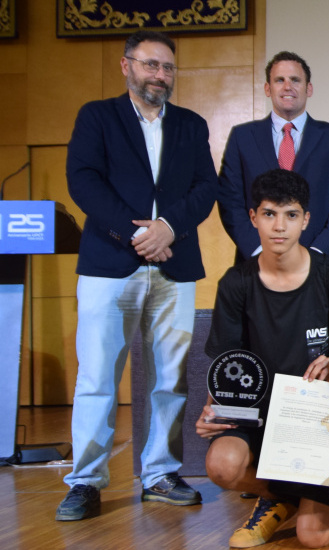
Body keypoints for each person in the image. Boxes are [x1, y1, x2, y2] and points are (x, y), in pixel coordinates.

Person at [57, 30, 217, 522]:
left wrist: (167, 228)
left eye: (168, 67)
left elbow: (205, 187)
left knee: (170, 379)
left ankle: (160, 474)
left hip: (174, 266)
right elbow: (83, 180)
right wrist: (136, 235)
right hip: (111, 265)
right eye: (151, 65)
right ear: (126, 66)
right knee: (97, 377)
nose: (160, 75)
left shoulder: (191, 124)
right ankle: (85, 482)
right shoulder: (97, 117)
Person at [199, 169, 329, 548]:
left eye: (290, 215)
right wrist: (213, 410)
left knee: (314, 537)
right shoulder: (236, 283)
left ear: (306, 220)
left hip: (317, 418)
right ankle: (282, 495)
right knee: (221, 464)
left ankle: (297, 496)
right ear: (253, 217)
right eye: (269, 214)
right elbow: (226, 365)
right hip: (260, 413)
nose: (279, 226)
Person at [217, 51, 329, 263]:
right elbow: (230, 200)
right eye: (279, 80)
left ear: (309, 89)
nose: (287, 87)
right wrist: (258, 252)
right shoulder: (241, 137)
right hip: (257, 265)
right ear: (267, 88)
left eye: (295, 80)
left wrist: (318, 252)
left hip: (320, 265)